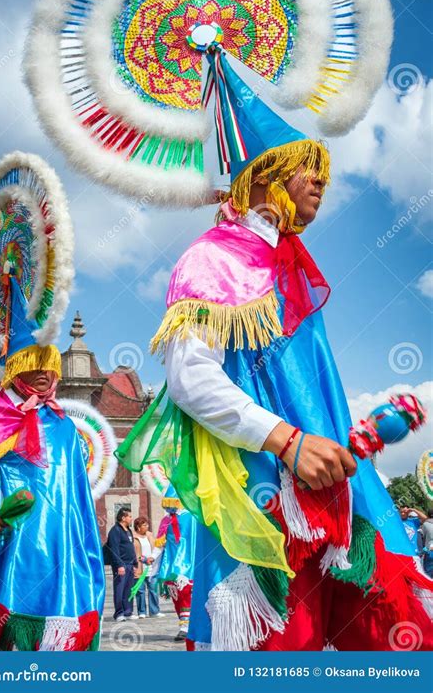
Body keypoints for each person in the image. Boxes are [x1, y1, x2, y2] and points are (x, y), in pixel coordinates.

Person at [118, 51, 433, 651]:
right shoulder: (211, 260)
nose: (320, 180)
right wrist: (287, 441)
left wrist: (344, 439)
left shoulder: (288, 262)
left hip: (330, 498)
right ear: (264, 176)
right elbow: (190, 379)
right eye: (304, 168)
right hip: (265, 504)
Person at [0, 273, 105, 650]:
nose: (43, 374)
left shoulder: (66, 427)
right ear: (16, 366)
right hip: (5, 545)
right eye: (33, 364)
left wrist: (84, 549)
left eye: (48, 365)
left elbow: (78, 501)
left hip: (61, 550)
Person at [153, 486, 197, 642]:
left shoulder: (192, 517)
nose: (169, 505)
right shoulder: (166, 521)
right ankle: (184, 625)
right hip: (170, 566)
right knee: (176, 596)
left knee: (186, 595)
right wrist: (152, 558)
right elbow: (160, 544)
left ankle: (187, 628)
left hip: (188, 566)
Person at [107, 507, 138, 622]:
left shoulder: (128, 530)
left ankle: (128, 611)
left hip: (130, 564)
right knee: (119, 589)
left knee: (129, 590)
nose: (131, 518)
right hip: (121, 565)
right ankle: (119, 613)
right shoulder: (115, 531)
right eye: (129, 516)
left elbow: (131, 547)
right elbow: (114, 549)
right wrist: (119, 565)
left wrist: (135, 563)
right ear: (123, 517)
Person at [133, 516, 162, 618]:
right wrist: (140, 558)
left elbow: (156, 548)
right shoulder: (133, 537)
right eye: (144, 525)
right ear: (138, 527)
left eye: (147, 524)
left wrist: (152, 558)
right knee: (140, 591)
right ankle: (142, 612)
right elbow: (132, 551)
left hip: (151, 566)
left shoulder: (150, 535)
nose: (147, 526)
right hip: (140, 567)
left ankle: (154, 611)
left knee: (153, 590)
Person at [418, 509, 433, 577]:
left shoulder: (426, 524)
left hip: (429, 551)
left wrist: (422, 551)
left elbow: (420, 538)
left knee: (427, 574)